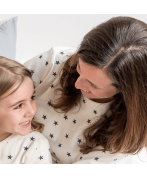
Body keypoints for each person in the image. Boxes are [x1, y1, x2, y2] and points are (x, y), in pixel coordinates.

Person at [23, 16, 147, 164]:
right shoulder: (53, 62)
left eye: (93, 85)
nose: (77, 84)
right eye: (79, 68)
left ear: (126, 91)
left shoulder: (127, 135)